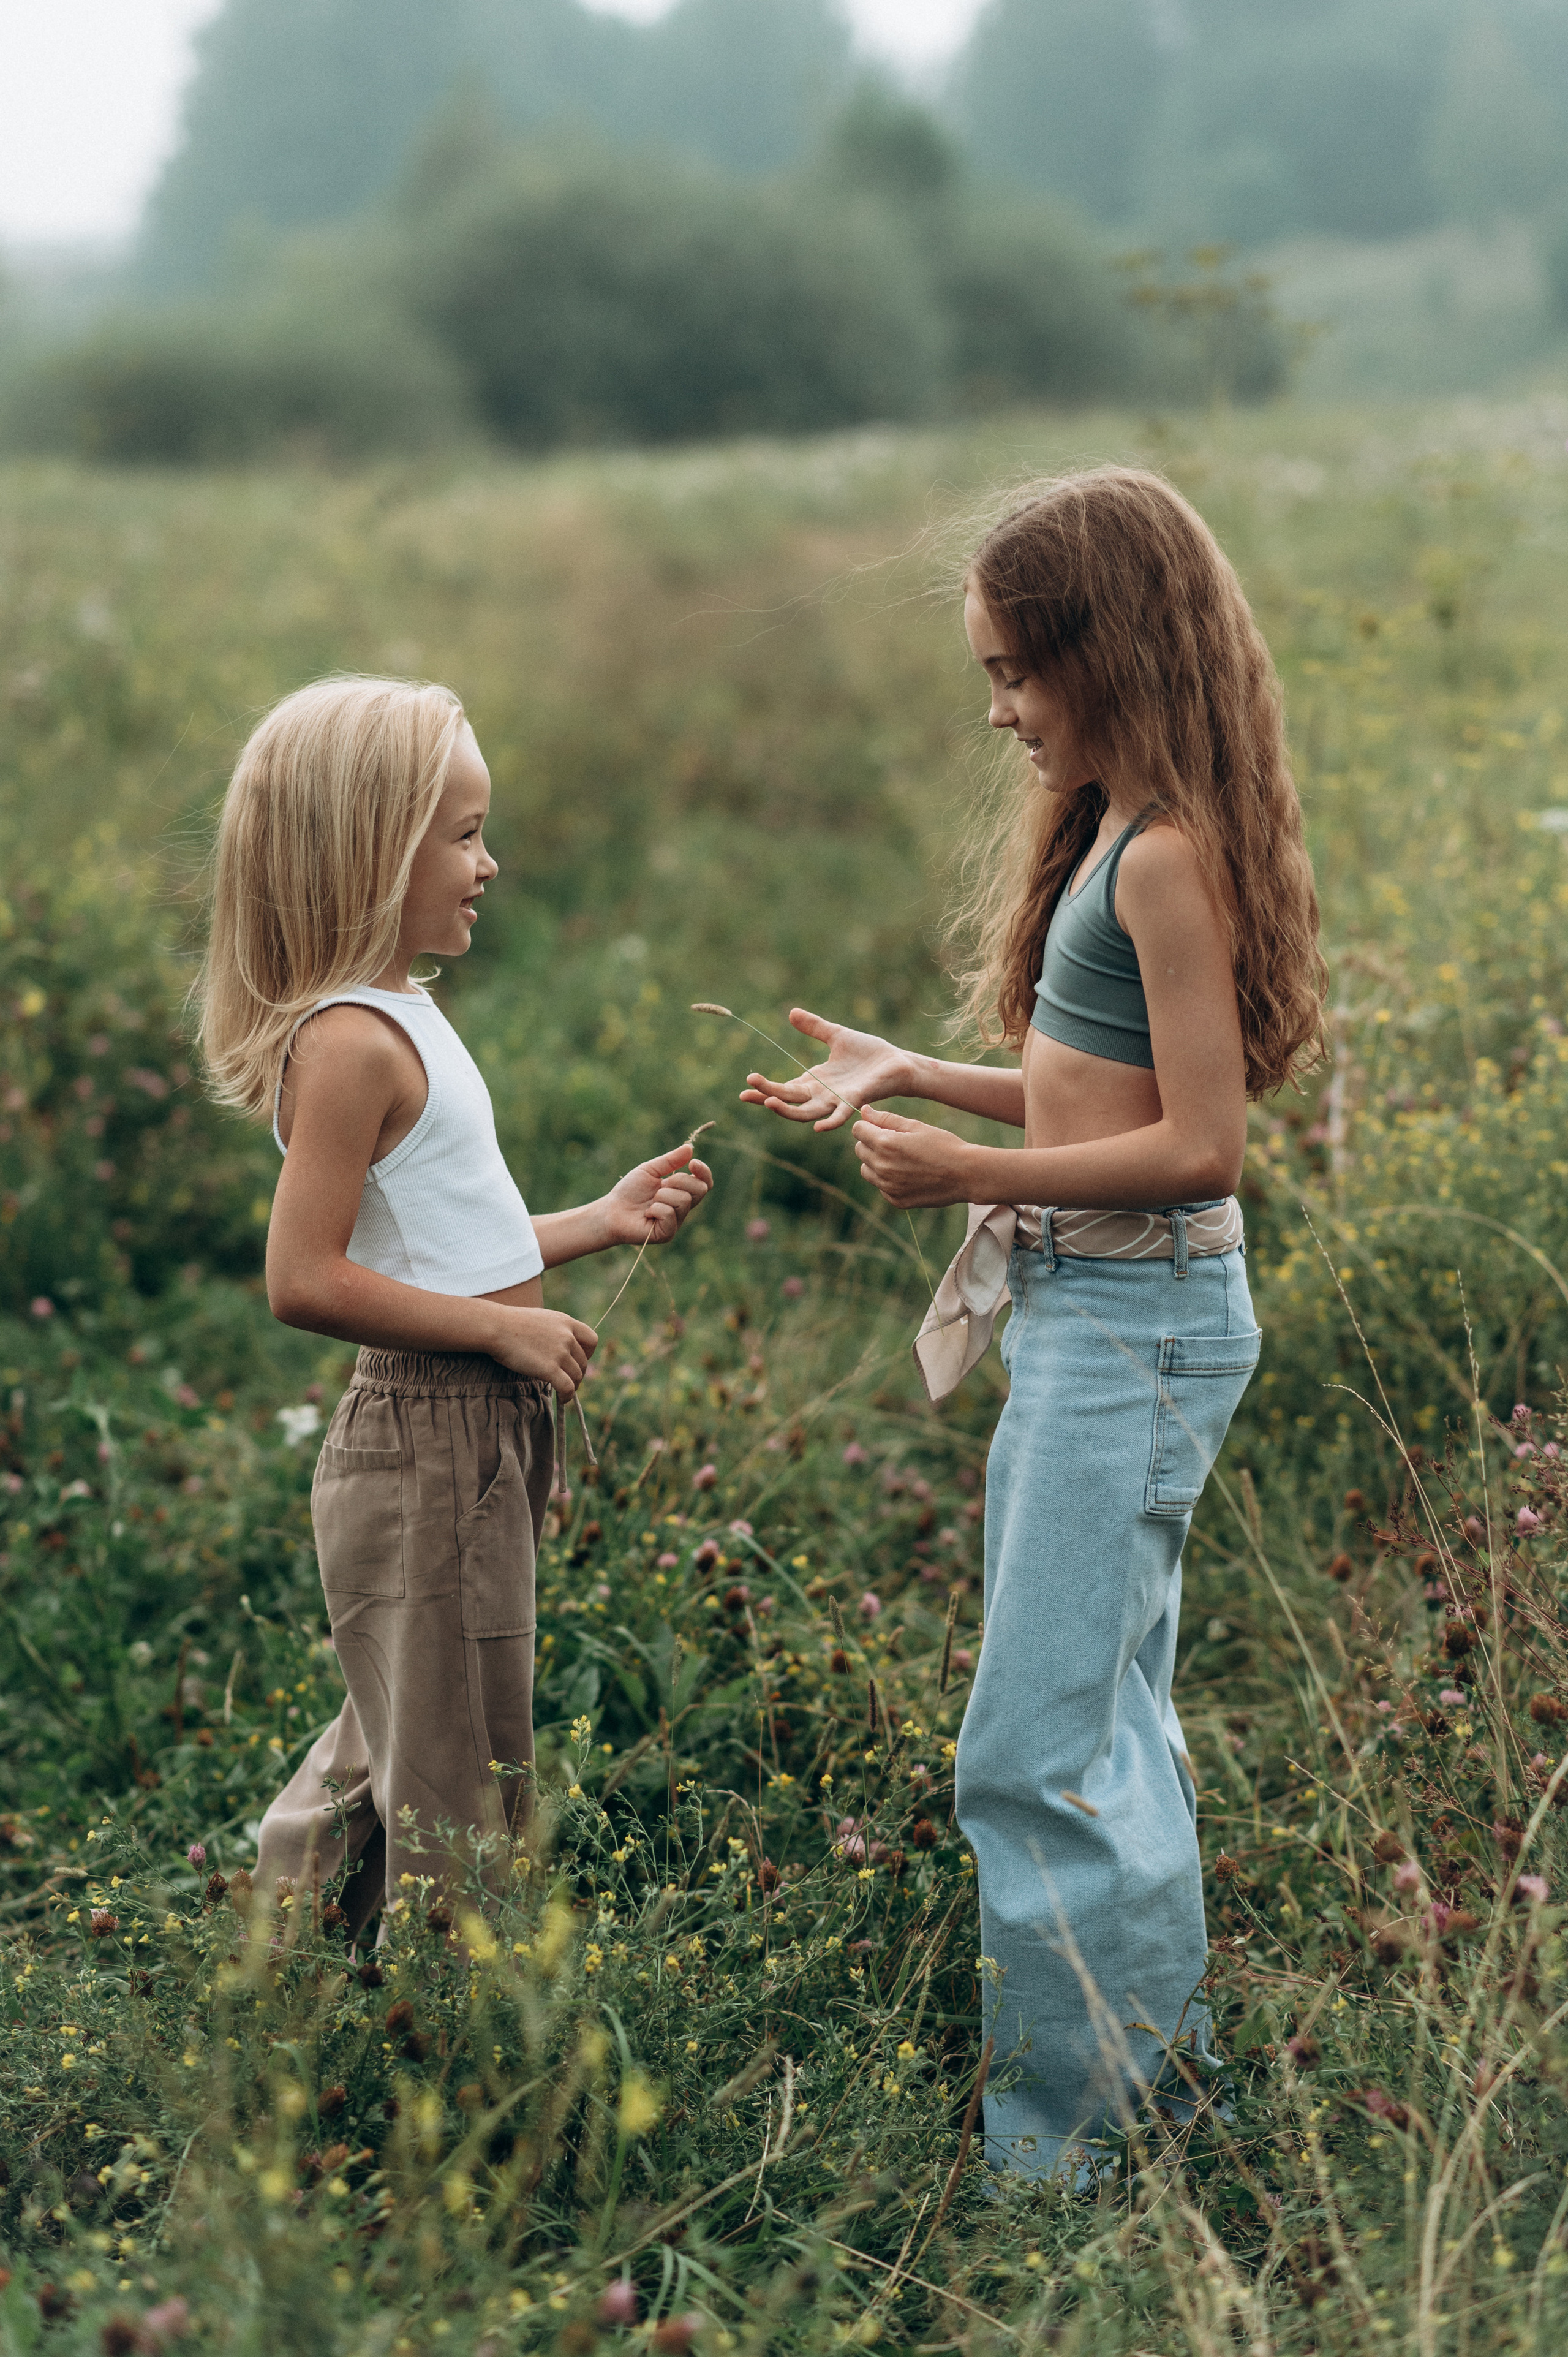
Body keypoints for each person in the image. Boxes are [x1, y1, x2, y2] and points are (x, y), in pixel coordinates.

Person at [742, 467, 1324, 2179]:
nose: (1000, 710)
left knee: (1035, 1746)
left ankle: (1073, 2163)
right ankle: (1158, 2097)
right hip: (1095, 1312)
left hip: (1135, 1319)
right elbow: (1106, 1093)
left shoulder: (1166, 863)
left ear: (1114, 652)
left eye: (1016, 671)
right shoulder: (1125, 839)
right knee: (1101, 1722)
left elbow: (1204, 1147)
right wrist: (920, 1070)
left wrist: (971, 1173)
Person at [196, 675, 711, 1939]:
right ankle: (437, 2037)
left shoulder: (404, 1013)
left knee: (414, 1739)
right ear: (369, 854)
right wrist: (499, 1329)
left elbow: (446, 1246)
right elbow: (303, 1277)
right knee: (447, 1781)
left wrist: (596, 1220)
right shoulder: (349, 1044)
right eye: (464, 834)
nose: (490, 863)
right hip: (426, 1435)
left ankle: (303, 1990)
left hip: (470, 1433)